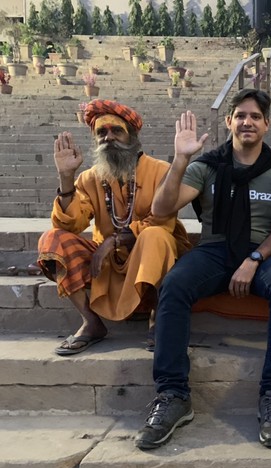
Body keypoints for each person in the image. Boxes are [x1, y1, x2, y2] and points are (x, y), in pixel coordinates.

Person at [135, 89, 271, 450]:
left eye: (255, 116)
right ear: (229, 122)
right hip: (214, 251)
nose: (247, 122)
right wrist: (180, 159)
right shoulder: (206, 165)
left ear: (266, 125)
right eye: (240, 115)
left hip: (262, 255)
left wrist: (254, 259)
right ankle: (173, 395)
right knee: (175, 284)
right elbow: (162, 210)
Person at [37, 99, 190, 356]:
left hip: (151, 257)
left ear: (132, 136)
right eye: (101, 133)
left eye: (116, 131)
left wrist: (113, 241)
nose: (109, 137)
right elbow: (71, 224)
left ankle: (158, 317)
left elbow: (163, 220)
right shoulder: (88, 178)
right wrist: (66, 178)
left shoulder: (160, 170)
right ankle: (91, 322)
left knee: (154, 235)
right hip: (106, 266)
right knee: (53, 239)